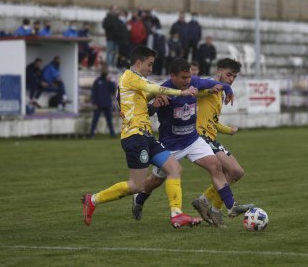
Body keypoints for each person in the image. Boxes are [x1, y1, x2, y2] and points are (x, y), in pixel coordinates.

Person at [81, 46, 200, 228]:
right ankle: (93, 200)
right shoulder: (129, 77)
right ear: (138, 62)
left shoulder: (136, 83)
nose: (151, 69)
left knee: (174, 168)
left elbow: (144, 107)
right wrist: (180, 92)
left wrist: (156, 103)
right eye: (149, 64)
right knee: (136, 186)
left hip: (146, 136)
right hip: (134, 137)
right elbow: (151, 87)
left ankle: (176, 214)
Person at [130, 58, 254, 227]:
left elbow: (205, 84)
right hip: (171, 144)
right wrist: (155, 101)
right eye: (184, 77)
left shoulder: (195, 82)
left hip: (193, 139)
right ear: (173, 76)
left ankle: (230, 206)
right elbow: (145, 106)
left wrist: (227, 87)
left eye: (190, 77)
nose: (188, 81)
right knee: (156, 180)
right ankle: (140, 197)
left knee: (215, 165)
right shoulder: (164, 89)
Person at [192, 58, 245, 228]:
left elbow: (213, 121)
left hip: (211, 137)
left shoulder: (220, 93)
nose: (230, 79)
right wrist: (210, 89)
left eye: (234, 77)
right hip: (199, 136)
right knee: (231, 170)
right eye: (229, 74)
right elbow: (197, 91)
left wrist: (230, 130)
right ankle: (215, 209)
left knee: (237, 172)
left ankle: (205, 201)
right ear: (219, 71)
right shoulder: (209, 84)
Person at [89, 66, 116, 138]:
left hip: (107, 104)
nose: (105, 71)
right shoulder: (97, 81)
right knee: (95, 120)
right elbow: (93, 92)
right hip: (98, 104)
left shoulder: (109, 81)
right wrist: (94, 103)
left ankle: (112, 134)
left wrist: (110, 81)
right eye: (103, 70)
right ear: (101, 71)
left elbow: (113, 90)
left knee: (109, 121)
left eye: (106, 70)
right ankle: (92, 134)